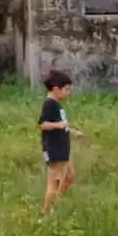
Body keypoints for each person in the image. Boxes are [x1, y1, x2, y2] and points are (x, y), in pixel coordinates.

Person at [39, 69, 83, 215]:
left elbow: (60, 125)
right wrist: (60, 125)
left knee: (69, 176)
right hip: (54, 149)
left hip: (62, 148)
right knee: (53, 182)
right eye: (66, 89)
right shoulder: (49, 104)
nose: (68, 93)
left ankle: (57, 203)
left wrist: (72, 131)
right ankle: (46, 213)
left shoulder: (57, 104)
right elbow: (44, 124)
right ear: (56, 89)